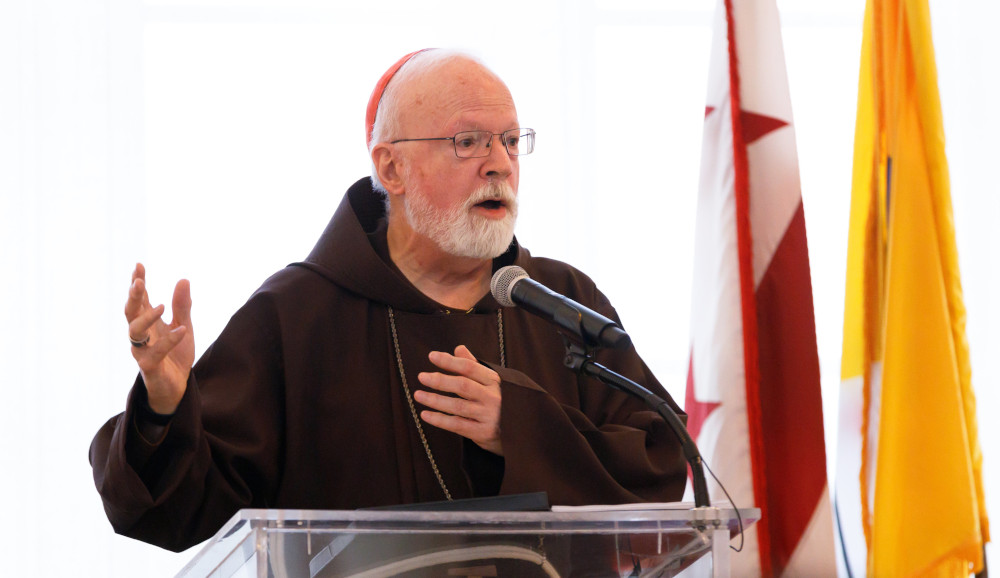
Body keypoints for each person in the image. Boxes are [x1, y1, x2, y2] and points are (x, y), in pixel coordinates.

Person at [90, 49, 687, 553]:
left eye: (510, 140)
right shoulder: (295, 317)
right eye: (469, 141)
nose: (500, 164)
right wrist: (165, 409)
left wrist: (521, 427)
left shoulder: (563, 302)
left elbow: (662, 462)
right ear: (392, 167)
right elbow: (175, 513)